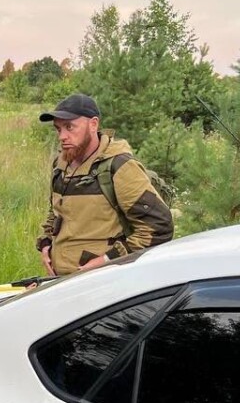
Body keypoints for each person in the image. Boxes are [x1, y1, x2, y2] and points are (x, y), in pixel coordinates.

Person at [36, 93, 173, 276]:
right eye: (58, 129)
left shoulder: (118, 166)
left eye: (70, 127)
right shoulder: (61, 165)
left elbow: (159, 228)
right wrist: (46, 245)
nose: (62, 136)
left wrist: (106, 260)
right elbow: (55, 212)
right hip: (61, 281)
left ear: (93, 124)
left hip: (104, 285)